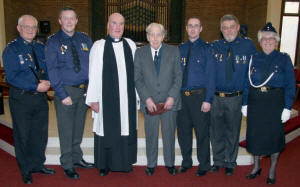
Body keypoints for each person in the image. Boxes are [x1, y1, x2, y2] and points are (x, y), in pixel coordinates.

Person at [2, 15, 55, 184]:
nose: (31, 30)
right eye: (27, 27)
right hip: (22, 99)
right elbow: (11, 77)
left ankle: (38, 164)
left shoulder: (40, 47)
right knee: (23, 136)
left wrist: (48, 81)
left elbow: (47, 69)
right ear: (19, 28)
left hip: (40, 98)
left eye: (34, 27)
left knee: (40, 134)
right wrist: (34, 86)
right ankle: (25, 170)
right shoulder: (12, 49)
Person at [242, 22, 295, 185]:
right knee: (256, 136)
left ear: (276, 41)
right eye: (264, 38)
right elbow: (246, 83)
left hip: (275, 104)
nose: (267, 41)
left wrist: (287, 107)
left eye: (271, 38)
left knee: (273, 138)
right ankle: (256, 167)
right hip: (256, 103)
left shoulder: (284, 59)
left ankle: (272, 170)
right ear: (260, 41)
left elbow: (290, 85)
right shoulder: (253, 59)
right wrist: (245, 103)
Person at [86, 13, 137, 176]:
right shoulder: (99, 46)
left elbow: (136, 74)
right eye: (114, 23)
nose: (117, 27)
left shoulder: (130, 45)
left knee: (125, 127)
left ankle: (124, 163)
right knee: (106, 127)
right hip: (105, 98)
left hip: (126, 98)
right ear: (108, 25)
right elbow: (92, 73)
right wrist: (93, 98)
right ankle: (104, 164)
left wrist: (137, 97)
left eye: (121, 24)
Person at [45, 6, 94, 179]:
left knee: (79, 127)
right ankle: (67, 163)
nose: (69, 21)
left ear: (76, 20)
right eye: (65, 18)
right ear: (60, 21)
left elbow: (93, 65)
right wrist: (61, 93)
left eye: (72, 18)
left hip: (83, 91)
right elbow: (52, 69)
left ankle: (77, 157)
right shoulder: (53, 41)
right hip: (65, 91)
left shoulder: (85, 39)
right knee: (66, 130)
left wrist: (92, 90)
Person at [210, 14, 257, 175]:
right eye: (225, 27)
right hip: (216, 97)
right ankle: (217, 160)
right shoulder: (214, 46)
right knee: (216, 132)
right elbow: (209, 74)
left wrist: (247, 101)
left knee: (232, 131)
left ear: (238, 27)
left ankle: (230, 161)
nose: (228, 30)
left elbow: (252, 75)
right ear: (221, 29)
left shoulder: (248, 46)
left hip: (236, 97)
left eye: (231, 27)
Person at [135, 23, 182, 176]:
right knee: (151, 134)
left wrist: (171, 97)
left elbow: (178, 77)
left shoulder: (174, 51)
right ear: (147, 37)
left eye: (158, 34)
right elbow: (138, 79)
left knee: (169, 134)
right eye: (152, 35)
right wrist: (146, 99)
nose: (155, 38)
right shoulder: (140, 53)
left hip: (169, 102)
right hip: (150, 103)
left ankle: (170, 163)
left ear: (163, 36)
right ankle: (151, 164)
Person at [177, 17, 215, 176]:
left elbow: (211, 76)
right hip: (182, 97)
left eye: (196, 26)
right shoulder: (180, 49)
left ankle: (204, 164)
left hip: (199, 97)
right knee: (183, 132)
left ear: (201, 29)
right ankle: (186, 161)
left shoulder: (207, 49)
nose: (193, 29)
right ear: (186, 28)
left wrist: (208, 100)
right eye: (190, 26)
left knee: (202, 133)